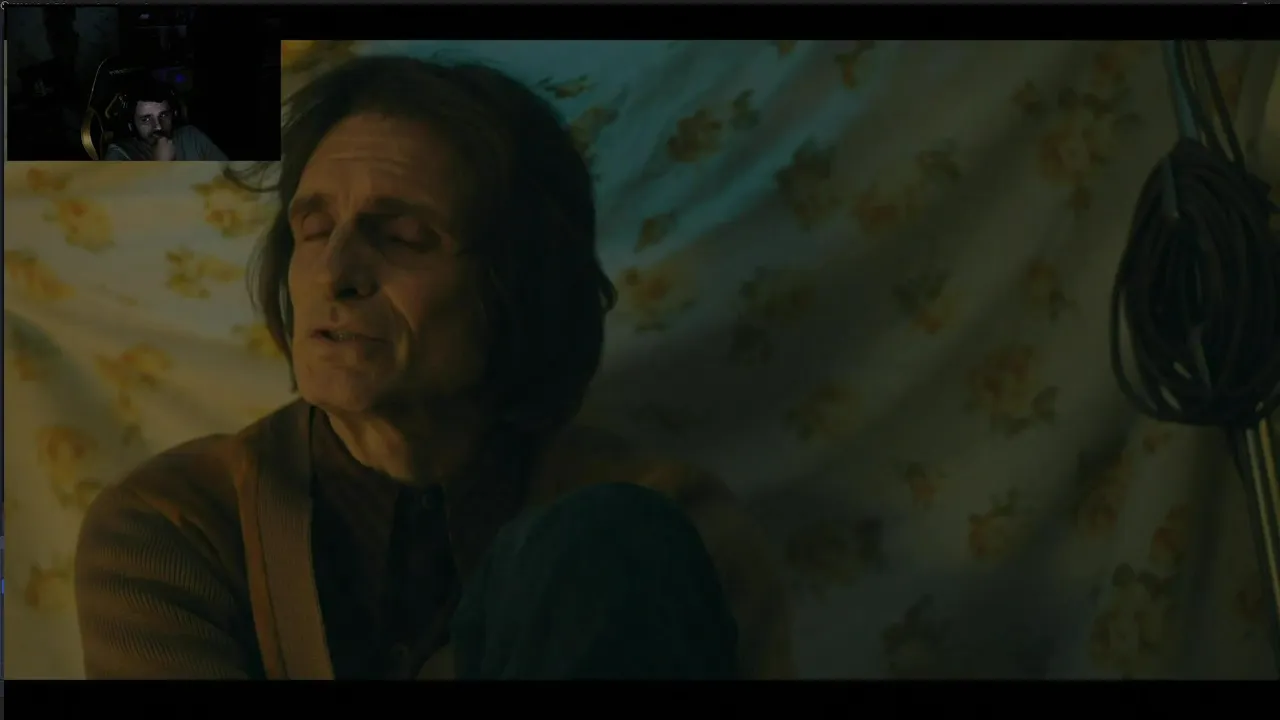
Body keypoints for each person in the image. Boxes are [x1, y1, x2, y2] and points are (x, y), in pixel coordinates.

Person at [74, 55, 794, 680]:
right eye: (314, 230)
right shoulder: (174, 528)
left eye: (404, 237)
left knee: (610, 540)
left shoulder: (673, 523)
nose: (334, 274)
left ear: (516, 286)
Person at [102, 76, 228, 162]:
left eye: (163, 115)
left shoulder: (191, 136)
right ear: (132, 123)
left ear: (174, 115)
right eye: (146, 119)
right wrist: (160, 165)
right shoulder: (119, 153)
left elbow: (229, 175)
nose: (158, 126)